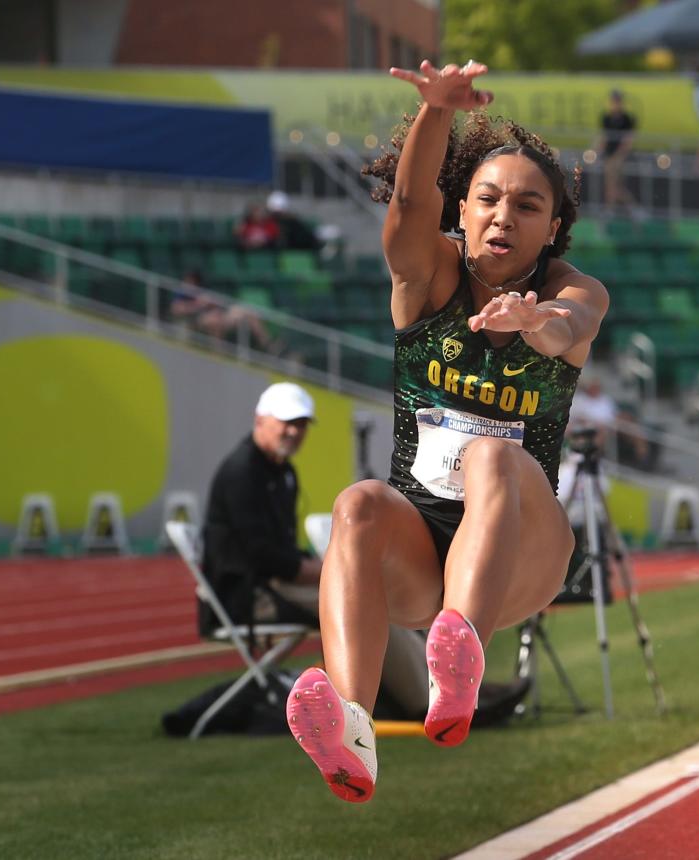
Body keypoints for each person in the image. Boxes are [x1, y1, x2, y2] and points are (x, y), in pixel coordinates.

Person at [285, 59, 609, 803]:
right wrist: (435, 111)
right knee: (359, 502)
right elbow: (407, 200)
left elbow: (575, 325)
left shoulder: (571, 289)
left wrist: (539, 322)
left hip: (524, 554)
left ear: (554, 227)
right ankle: (353, 728)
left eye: (528, 206)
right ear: (460, 209)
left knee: (493, 454)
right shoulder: (425, 276)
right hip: (420, 555)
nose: (504, 216)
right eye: (488, 199)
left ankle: (461, 652)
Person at [202, 382, 431, 720]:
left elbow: (277, 551)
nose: (294, 432)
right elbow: (262, 556)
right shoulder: (242, 473)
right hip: (249, 595)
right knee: (363, 601)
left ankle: (425, 691)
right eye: (287, 422)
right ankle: (420, 700)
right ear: (260, 420)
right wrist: (325, 571)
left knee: (369, 596)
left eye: (301, 424)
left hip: (271, 585)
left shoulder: (279, 471)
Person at [168, 270, 280, 353]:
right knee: (213, 320)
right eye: (189, 281)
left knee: (246, 311)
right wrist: (197, 305)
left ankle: (266, 344)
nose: (190, 284)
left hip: (221, 316)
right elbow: (176, 310)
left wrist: (211, 303)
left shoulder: (202, 291)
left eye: (193, 282)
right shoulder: (182, 293)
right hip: (198, 321)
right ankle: (218, 351)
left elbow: (217, 304)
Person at [597, 89, 637, 216]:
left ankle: (628, 209)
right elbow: (603, 137)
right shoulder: (606, 118)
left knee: (616, 185)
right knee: (611, 185)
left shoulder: (627, 119)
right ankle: (615, 209)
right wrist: (596, 152)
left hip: (621, 157)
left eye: (618, 100)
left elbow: (628, 140)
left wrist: (619, 156)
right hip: (609, 156)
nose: (616, 103)